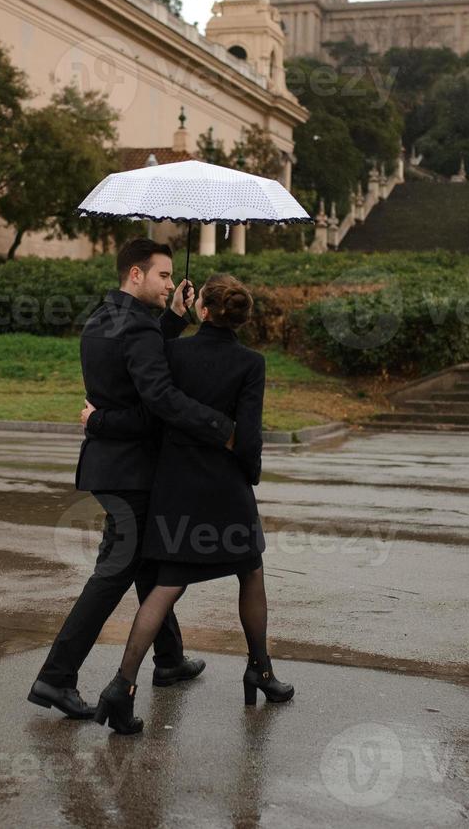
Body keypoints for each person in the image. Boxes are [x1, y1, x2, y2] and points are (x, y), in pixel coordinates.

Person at [28, 239, 232, 719]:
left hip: (109, 467)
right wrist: (219, 426)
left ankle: (169, 659)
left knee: (147, 565)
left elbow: (131, 361)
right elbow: (157, 405)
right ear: (136, 275)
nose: (170, 284)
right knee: (114, 572)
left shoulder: (105, 318)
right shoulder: (138, 329)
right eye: (163, 276)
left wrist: (175, 318)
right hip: (131, 470)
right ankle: (55, 678)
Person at [83, 274, 293, 735]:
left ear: (203, 310)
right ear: (242, 317)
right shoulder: (251, 363)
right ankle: (260, 671)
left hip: (175, 487)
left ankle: (121, 686)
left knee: (167, 586)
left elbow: (156, 403)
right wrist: (248, 474)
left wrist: (171, 318)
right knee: (251, 572)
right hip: (225, 488)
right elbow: (250, 435)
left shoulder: (173, 353)